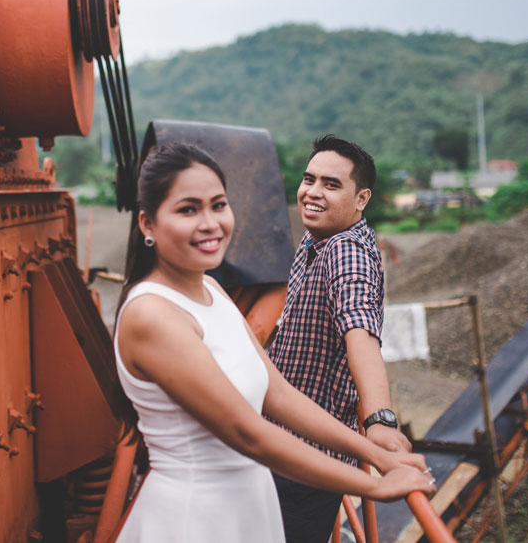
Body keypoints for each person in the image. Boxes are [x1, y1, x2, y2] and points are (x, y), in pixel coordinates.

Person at [112, 142, 433, 542]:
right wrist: (373, 484)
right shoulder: (151, 314)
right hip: (198, 519)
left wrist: (375, 448)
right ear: (147, 224)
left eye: (218, 205)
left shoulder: (212, 290)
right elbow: (247, 431)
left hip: (251, 501)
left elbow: (280, 392)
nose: (210, 223)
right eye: (187, 209)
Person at [268, 134, 409, 543]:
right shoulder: (315, 239)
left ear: (361, 198)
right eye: (309, 179)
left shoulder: (346, 251)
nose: (313, 193)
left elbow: (360, 332)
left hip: (307, 462)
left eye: (331, 185)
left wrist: (380, 420)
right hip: (283, 442)